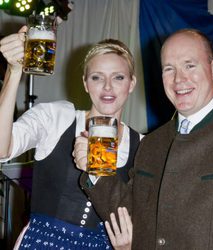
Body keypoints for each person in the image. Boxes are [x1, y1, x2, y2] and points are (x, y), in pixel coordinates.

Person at [76, 28, 213, 249]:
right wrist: (96, 171)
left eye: (189, 65)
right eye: (169, 69)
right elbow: (130, 217)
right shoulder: (151, 143)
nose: (179, 79)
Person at [0, 25, 141, 249]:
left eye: (118, 77)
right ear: (86, 83)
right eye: (97, 77)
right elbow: (2, 149)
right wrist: (13, 72)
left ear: (131, 83)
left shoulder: (141, 146)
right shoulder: (57, 117)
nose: (107, 87)